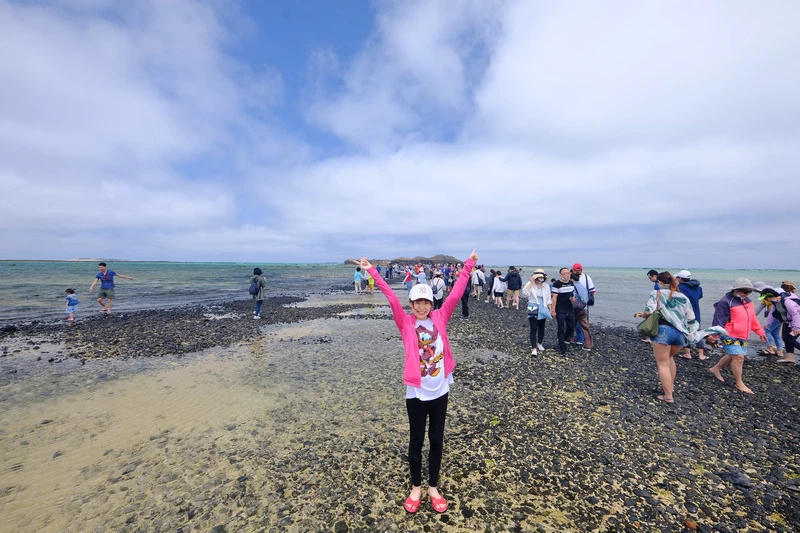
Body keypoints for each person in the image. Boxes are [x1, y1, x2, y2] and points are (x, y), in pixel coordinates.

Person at [362, 250, 478, 514]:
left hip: (440, 390)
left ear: (432, 303)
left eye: (426, 302)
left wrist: (468, 265)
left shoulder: (440, 317)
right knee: (416, 440)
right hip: (416, 392)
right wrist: (372, 271)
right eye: (418, 302)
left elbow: (456, 293)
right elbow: (391, 297)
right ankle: (416, 487)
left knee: (436, 439)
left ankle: (433, 487)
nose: (422, 306)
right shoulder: (405, 323)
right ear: (411, 304)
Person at [634, 271, 697, 404]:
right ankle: (670, 386)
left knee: (662, 364)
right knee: (669, 358)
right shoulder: (683, 297)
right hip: (680, 334)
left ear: (660, 282)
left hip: (663, 331)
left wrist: (642, 314)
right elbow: (691, 318)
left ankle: (668, 396)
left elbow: (649, 311)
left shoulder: (657, 293)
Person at [708, 278, 767, 394]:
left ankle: (715, 368)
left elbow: (752, 318)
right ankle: (739, 383)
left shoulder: (748, 301)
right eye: (745, 291)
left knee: (734, 356)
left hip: (742, 334)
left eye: (749, 291)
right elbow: (719, 319)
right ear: (736, 290)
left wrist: (760, 332)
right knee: (739, 357)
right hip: (728, 334)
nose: (747, 294)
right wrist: (714, 335)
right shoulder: (725, 301)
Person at [676, 270, 707, 360]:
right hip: (696, 313)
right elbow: (700, 296)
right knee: (698, 332)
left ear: (680, 278)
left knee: (685, 332)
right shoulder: (698, 288)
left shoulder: (680, 288)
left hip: (684, 313)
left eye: (677, 278)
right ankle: (701, 355)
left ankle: (687, 353)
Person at [522, 272, 552, 355]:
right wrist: (531, 282)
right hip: (533, 305)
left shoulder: (546, 286)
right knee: (533, 327)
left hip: (543, 306)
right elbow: (525, 293)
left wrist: (551, 310)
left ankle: (540, 343)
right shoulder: (530, 284)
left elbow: (549, 299)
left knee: (541, 326)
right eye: (538, 277)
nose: (539, 279)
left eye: (541, 277)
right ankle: (534, 348)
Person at [550, 268, 576, 355]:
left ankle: (563, 339)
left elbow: (572, 295)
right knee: (561, 328)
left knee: (571, 327)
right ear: (561, 275)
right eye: (565, 273)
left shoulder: (571, 283)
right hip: (560, 308)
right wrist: (553, 310)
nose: (567, 275)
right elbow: (554, 298)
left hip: (570, 308)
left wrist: (573, 299)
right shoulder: (557, 284)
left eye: (568, 273)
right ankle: (562, 347)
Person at [756, 288, 786, 358]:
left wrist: (767, 324)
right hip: (781, 319)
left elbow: (772, 314)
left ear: (770, 296)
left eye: (766, 298)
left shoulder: (776, 301)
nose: (766, 300)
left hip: (777, 318)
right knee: (775, 333)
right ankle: (780, 351)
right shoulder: (782, 298)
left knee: (766, 331)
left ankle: (770, 349)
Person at [570, 268, 593, 352]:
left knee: (570, 324)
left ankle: (568, 339)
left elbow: (572, 298)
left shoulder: (573, 286)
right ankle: (588, 345)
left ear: (571, 279)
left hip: (576, 309)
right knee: (585, 327)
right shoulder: (583, 287)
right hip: (585, 308)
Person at [778, 281, 800, 364]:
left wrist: (796, 327)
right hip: (790, 322)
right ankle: (790, 358)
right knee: (786, 338)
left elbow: (795, 314)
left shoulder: (788, 300)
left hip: (796, 322)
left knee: (790, 339)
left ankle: (790, 357)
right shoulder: (791, 297)